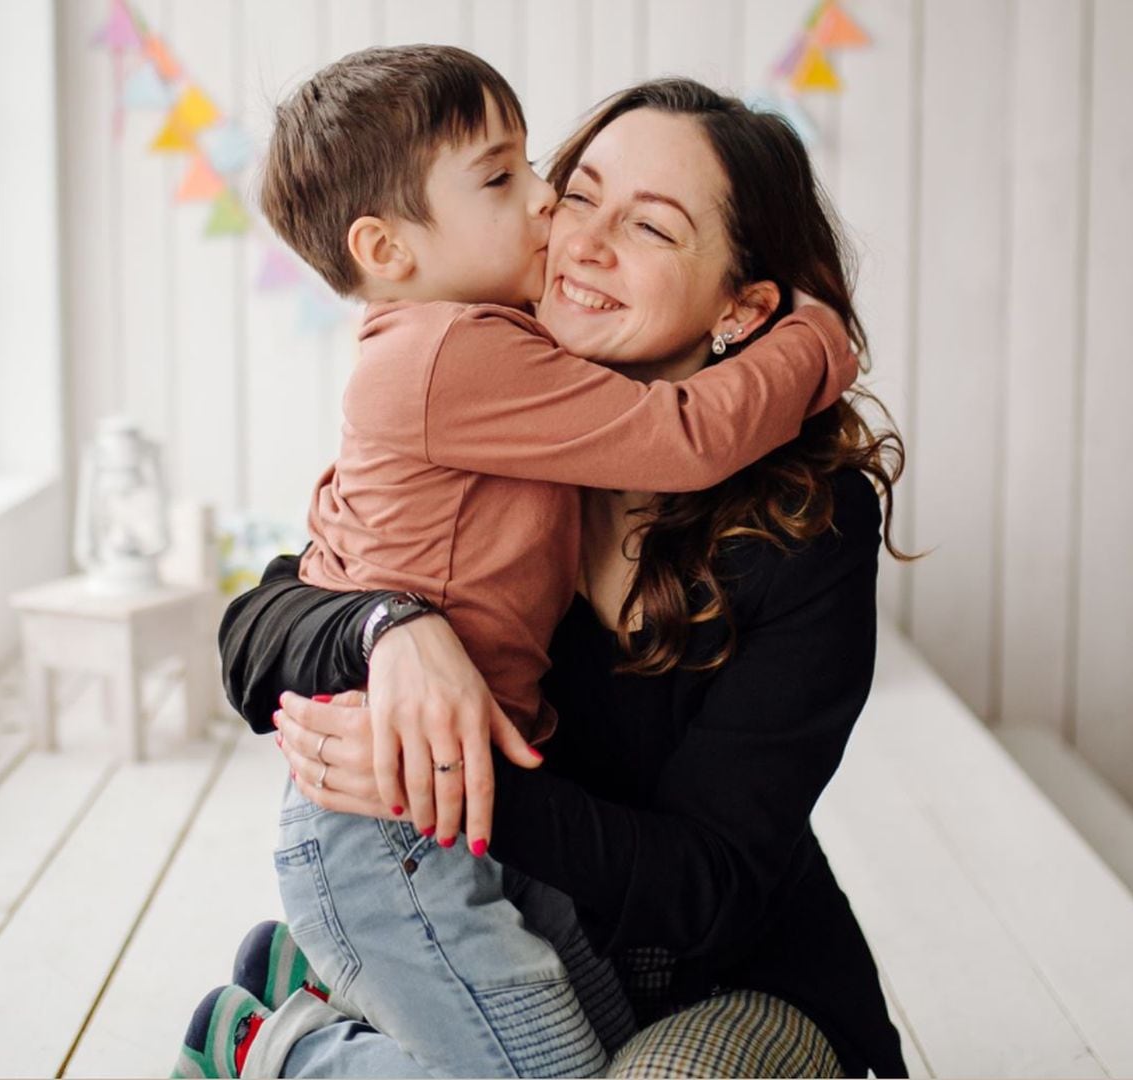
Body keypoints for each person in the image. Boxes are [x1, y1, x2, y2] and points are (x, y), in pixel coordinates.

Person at [171, 46, 858, 1080]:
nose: (566, 227)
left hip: (720, 966)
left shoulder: (806, 528)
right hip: (432, 857)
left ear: (740, 310)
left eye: (651, 225)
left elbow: (711, 878)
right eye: (572, 191)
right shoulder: (479, 373)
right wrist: (389, 631)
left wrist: (456, 779)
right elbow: (269, 615)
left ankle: (299, 1034)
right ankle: (286, 1052)